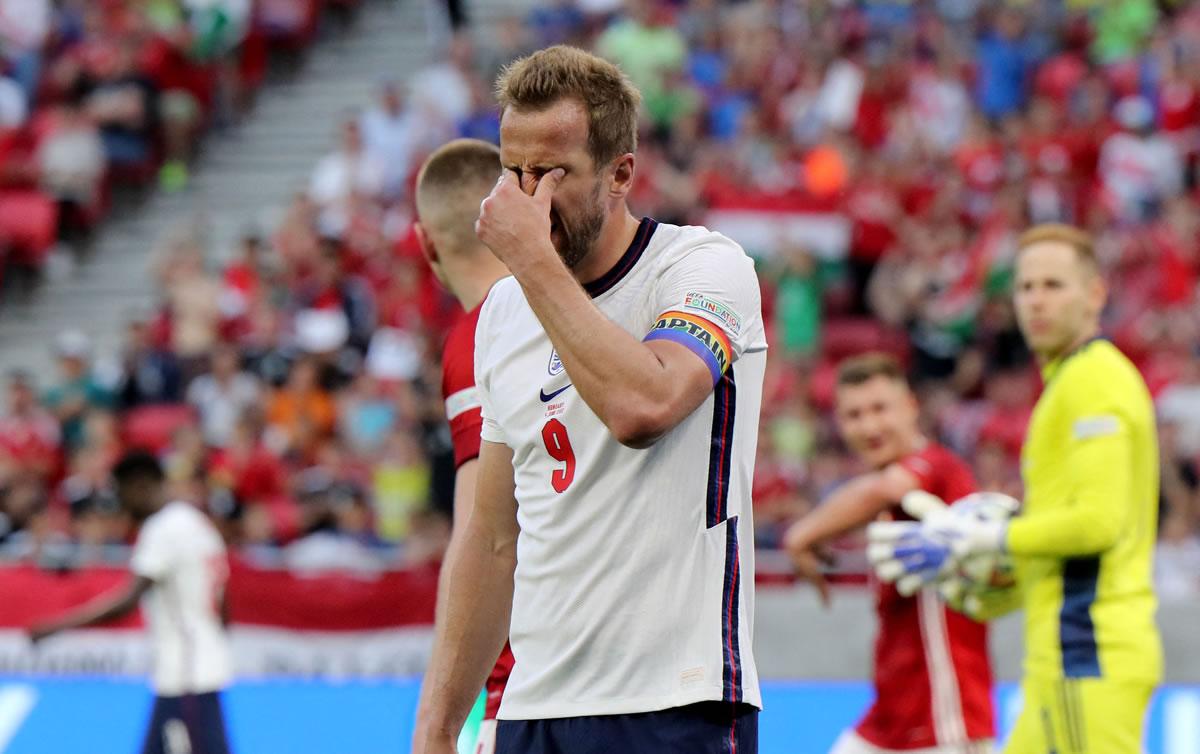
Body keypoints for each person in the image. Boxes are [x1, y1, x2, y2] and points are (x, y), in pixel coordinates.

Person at [415, 46, 766, 754]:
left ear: (620, 173)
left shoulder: (701, 267)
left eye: (552, 174)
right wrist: (437, 729)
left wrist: (534, 262)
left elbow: (644, 407)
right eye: (513, 173)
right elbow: (491, 539)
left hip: (674, 701)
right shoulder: (503, 316)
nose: (525, 197)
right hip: (532, 708)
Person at [870, 224, 1162, 753]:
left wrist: (977, 541)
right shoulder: (1070, 381)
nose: (1036, 301)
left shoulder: (1093, 382)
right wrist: (983, 577)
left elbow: (1098, 524)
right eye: (1026, 287)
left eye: (1054, 285)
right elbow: (1059, 543)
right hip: (1063, 656)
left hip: (1087, 652)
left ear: (1095, 293)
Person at [782, 353, 995, 753]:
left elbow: (884, 488)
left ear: (911, 407)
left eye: (880, 409)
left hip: (944, 717)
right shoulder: (883, 496)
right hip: (890, 719)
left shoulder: (936, 468)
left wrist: (803, 535)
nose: (869, 425)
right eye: (853, 415)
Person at [28, 451, 234, 754]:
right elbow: (224, 597)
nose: (121, 503)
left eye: (121, 492)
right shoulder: (196, 522)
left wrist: (56, 626)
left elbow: (128, 599)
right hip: (198, 666)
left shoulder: (163, 528)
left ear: (139, 485)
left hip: (186, 673)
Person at [411, 138, 512, 754]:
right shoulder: (579, 312)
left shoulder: (484, 334)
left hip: (529, 690)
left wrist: (437, 721)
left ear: (425, 241)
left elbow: (484, 529)